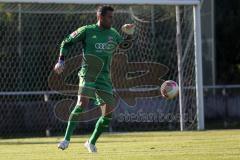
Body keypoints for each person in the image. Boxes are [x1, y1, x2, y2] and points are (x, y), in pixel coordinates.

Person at [54, 5, 135, 153]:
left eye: (112, 17)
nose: (112, 20)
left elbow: (123, 46)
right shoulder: (87, 30)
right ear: (100, 17)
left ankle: (90, 142)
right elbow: (66, 42)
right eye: (109, 17)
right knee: (81, 103)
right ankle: (66, 139)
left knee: (108, 114)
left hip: (104, 78)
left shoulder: (113, 33)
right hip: (88, 74)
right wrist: (61, 60)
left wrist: (129, 34)